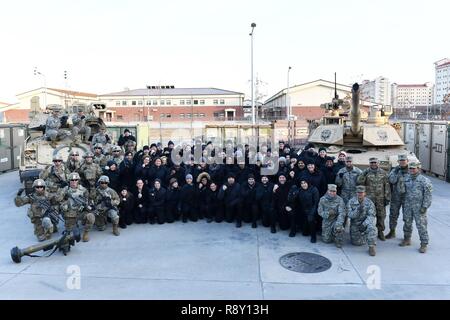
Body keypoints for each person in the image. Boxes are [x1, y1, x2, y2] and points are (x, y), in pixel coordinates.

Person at [400, 162, 433, 253]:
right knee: (407, 223)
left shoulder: (424, 180)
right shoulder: (406, 178)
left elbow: (428, 195)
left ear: (418, 169)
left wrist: (425, 206)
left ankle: (424, 244)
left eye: (414, 168)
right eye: (410, 168)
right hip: (407, 206)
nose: (412, 170)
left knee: (421, 225)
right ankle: (407, 239)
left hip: (419, 207)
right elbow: (402, 191)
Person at [357, 157, 391, 241]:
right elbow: (359, 182)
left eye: (375, 162)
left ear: (378, 163)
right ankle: (367, 231)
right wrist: (364, 173)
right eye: (371, 163)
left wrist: (387, 198)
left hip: (380, 198)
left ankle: (380, 232)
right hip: (369, 199)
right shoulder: (366, 173)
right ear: (369, 163)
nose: (373, 164)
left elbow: (387, 186)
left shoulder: (383, 173)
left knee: (381, 216)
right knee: (368, 215)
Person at [57, 172, 95, 242]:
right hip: (70, 214)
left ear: (78, 181)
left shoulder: (83, 190)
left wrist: (88, 206)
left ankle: (86, 233)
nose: (74, 182)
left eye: (76, 180)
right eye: (72, 180)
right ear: (69, 181)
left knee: (91, 216)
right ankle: (74, 224)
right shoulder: (65, 189)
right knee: (70, 233)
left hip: (81, 212)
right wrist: (64, 204)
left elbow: (88, 200)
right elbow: (58, 199)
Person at [347, 186, 377, 256]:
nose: (360, 194)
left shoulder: (369, 202)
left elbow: (371, 216)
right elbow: (350, 215)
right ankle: (364, 236)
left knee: (372, 228)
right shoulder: (351, 202)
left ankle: (371, 247)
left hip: (365, 223)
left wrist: (364, 224)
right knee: (357, 243)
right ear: (356, 193)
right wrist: (357, 210)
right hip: (355, 224)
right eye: (358, 192)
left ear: (365, 193)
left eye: (361, 192)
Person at [386, 154, 409, 239]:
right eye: (401, 160)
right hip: (396, 196)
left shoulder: (412, 170)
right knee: (393, 215)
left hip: (407, 197)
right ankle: (392, 232)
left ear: (407, 161)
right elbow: (391, 180)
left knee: (407, 217)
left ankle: (407, 237)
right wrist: (396, 172)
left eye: (404, 160)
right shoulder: (394, 170)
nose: (402, 162)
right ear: (398, 162)